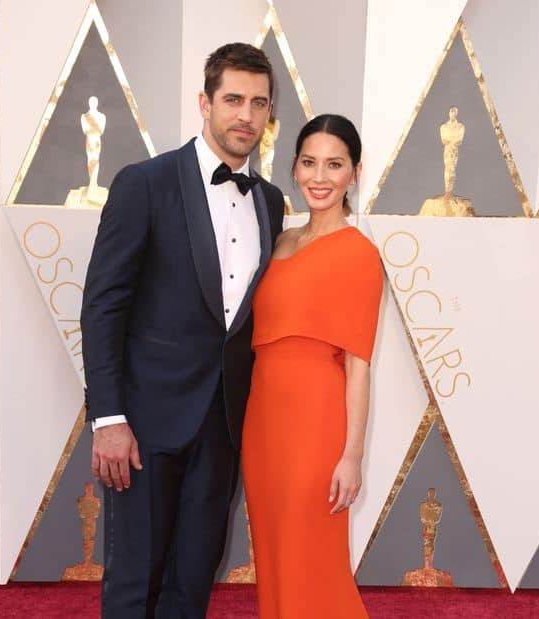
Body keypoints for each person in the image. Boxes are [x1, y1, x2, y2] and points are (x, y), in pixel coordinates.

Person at [80, 43, 284, 619]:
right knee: (133, 582)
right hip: (142, 428)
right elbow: (103, 306)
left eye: (259, 103)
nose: (246, 115)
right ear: (205, 102)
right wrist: (110, 418)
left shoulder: (270, 203)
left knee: (191, 582)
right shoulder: (145, 182)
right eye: (234, 100)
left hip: (221, 429)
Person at [242, 114, 383, 618]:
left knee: (312, 558)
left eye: (334, 164)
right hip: (262, 425)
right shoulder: (277, 242)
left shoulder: (360, 255)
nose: (319, 177)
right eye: (309, 162)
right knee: (276, 556)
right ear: (295, 168)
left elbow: (359, 363)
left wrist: (351, 456)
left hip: (316, 428)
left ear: (354, 173)